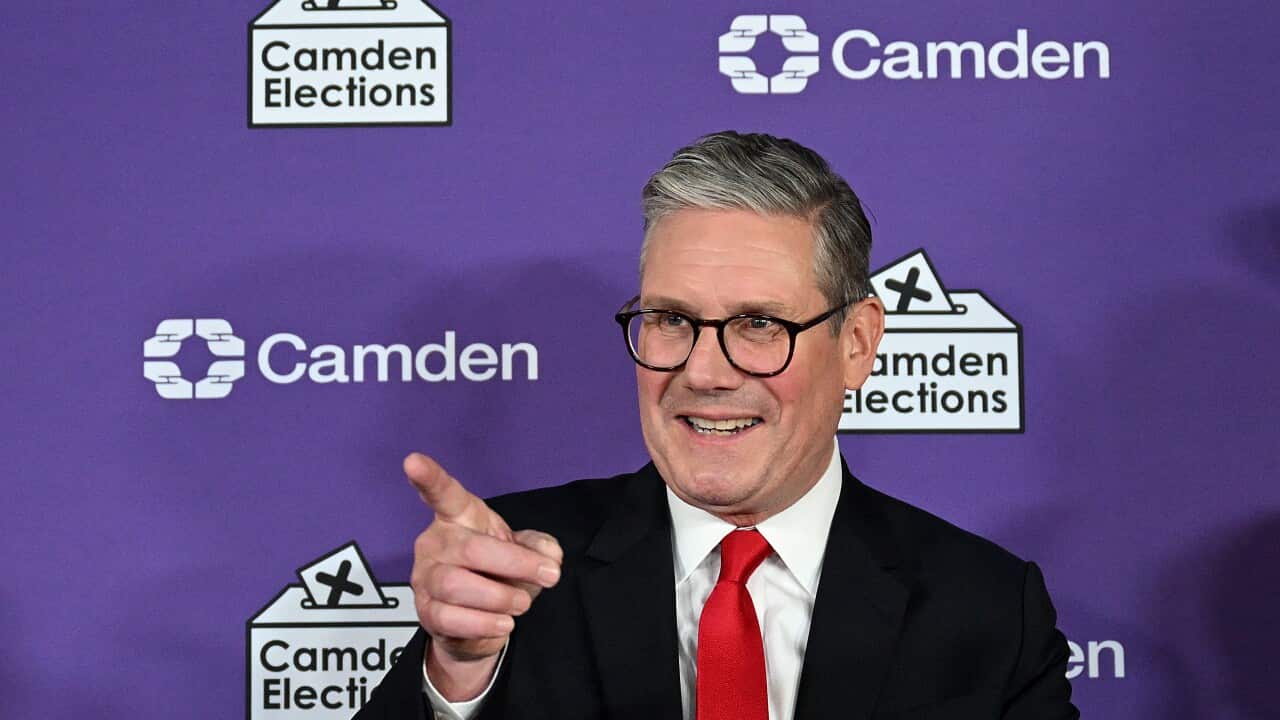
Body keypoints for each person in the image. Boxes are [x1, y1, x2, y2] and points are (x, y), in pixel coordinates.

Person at [353, 131, 1079, 720]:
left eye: (759, 324)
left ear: (856, 344)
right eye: (671, 319)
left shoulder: (986, 609)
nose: (703, 372)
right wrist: (457, 677)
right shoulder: (510, 573)